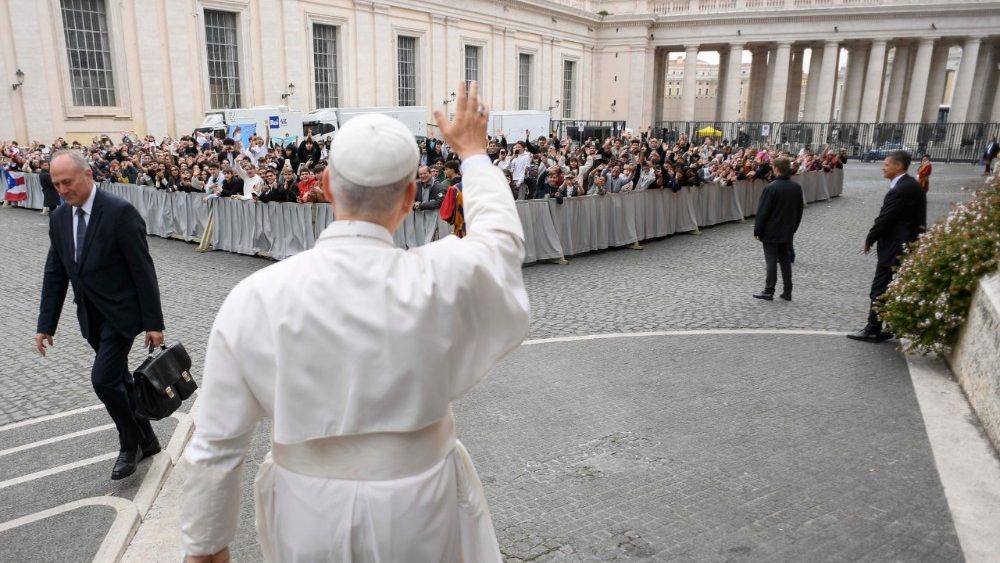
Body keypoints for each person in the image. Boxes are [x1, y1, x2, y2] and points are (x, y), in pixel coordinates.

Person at [180, 81, 529, 563]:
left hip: (307, 515)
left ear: (324, 187)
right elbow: (502, 243)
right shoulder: (441, 276)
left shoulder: (257, 296)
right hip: (420, 509)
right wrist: (473, 155)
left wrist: (205, 547)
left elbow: (216, 443)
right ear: (411, 198)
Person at [35, 151, 165, 480]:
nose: (62, 190)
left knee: (103, 379)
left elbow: (143, 270)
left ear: (88, 175)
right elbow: (56, 272)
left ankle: (130, 442)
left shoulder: (119, 213)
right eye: (56, 184)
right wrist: (45, 325)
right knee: (120, 379)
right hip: (90, 317)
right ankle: (148, 438)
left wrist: (154, 323)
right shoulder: (60, 218)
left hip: (122, 314)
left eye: (68, 182)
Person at [847, 150, 926, 343]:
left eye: (886, 164)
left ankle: (873, 328)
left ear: (898, 166)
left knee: (880, 288)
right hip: (906, 242)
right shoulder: (911, 185)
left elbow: (885, 218)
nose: (883, 167)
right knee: (892, 286)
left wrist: (870, 239)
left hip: (895, 246)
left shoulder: (899, 190)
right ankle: (889, 325)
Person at [752, 156, 804, 301]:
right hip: (787, 230)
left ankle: (769, 290)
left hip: (771, 231)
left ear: (776, 168)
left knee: (771, 261)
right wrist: (794, 228)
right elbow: (799, 211)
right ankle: (787, 291)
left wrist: (757, 230)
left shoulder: (771, 187)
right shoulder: (796, 187)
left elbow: (763, 211)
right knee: (785, 261)